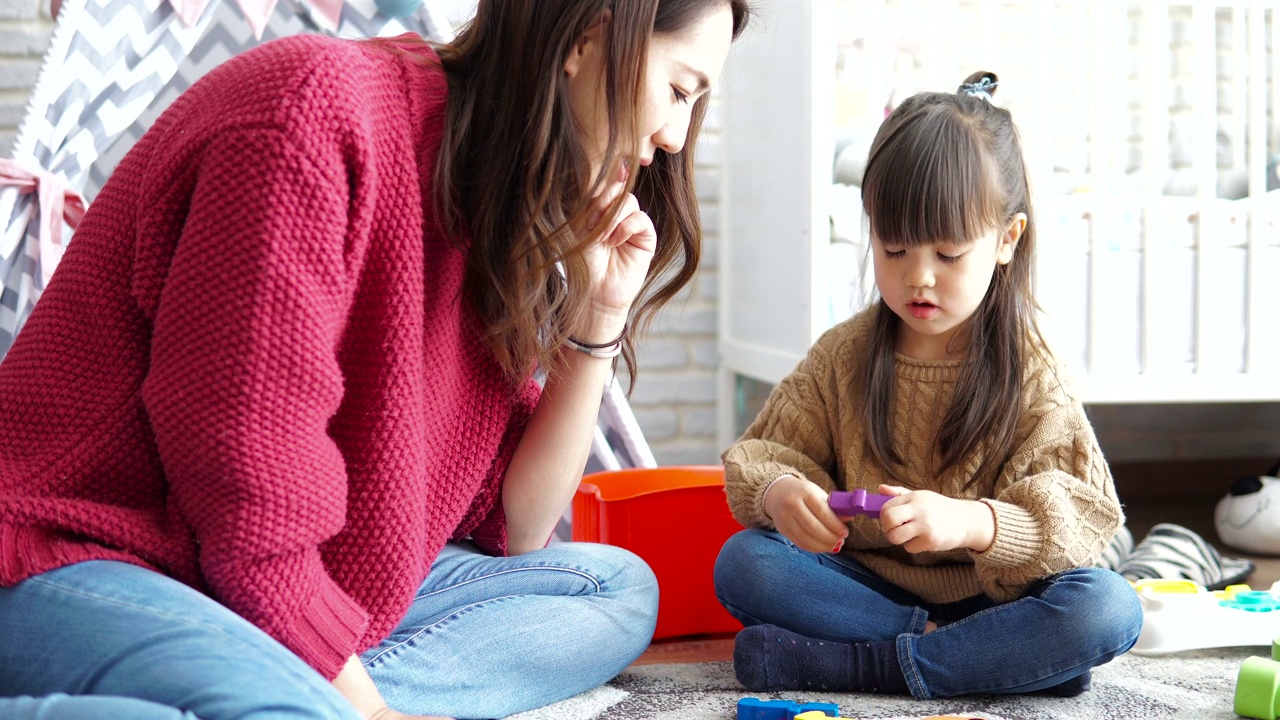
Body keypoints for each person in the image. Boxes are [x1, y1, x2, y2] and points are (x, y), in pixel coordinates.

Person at [0, 1, 751, 719]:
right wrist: (373, 710)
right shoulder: (310, 113)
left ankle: (278, 686)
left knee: (612, 588)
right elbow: (248, 507)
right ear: (588, 38)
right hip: (81, 555)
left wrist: (600, 318)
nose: (676, 138)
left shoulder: (493, 191)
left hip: (276, 584)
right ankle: (285, 691)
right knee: (288, 703)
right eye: (679, 90)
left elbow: (521, 524)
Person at [713, 71, 1142, 701]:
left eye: (947, 254)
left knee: (1107, 607)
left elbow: (1082, 516)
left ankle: (866, 667)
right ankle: (981, 662)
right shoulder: (844, 356)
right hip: (867, 591)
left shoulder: (1030, 371)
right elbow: (758, 458)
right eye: (894, 250)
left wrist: (975, 525)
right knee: (744, 564)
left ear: (1006, 240)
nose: (919, 278)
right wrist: (780, 494)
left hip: (996, 601)